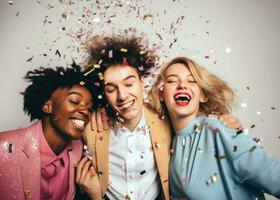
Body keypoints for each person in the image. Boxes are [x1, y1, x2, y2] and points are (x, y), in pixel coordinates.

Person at [76, 35, 243, 200]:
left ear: (142, 83)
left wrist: (222, 120)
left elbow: (191, 116)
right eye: (111, 89)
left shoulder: (165, 117)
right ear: (103, 93)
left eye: (129, 84)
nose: (122, 96)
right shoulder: (90, 127)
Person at [148, 56, 280, 199]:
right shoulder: (166, 140)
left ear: (202, 95)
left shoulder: (218, 131)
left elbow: (273, 174)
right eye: (172, 81)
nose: (182, 85)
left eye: (191, 81)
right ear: (161, 93)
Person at [0, 64, 102, 200]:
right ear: (48, 106)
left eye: (89, 108)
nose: (85, 111)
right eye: (75, 101)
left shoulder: (79, 150)